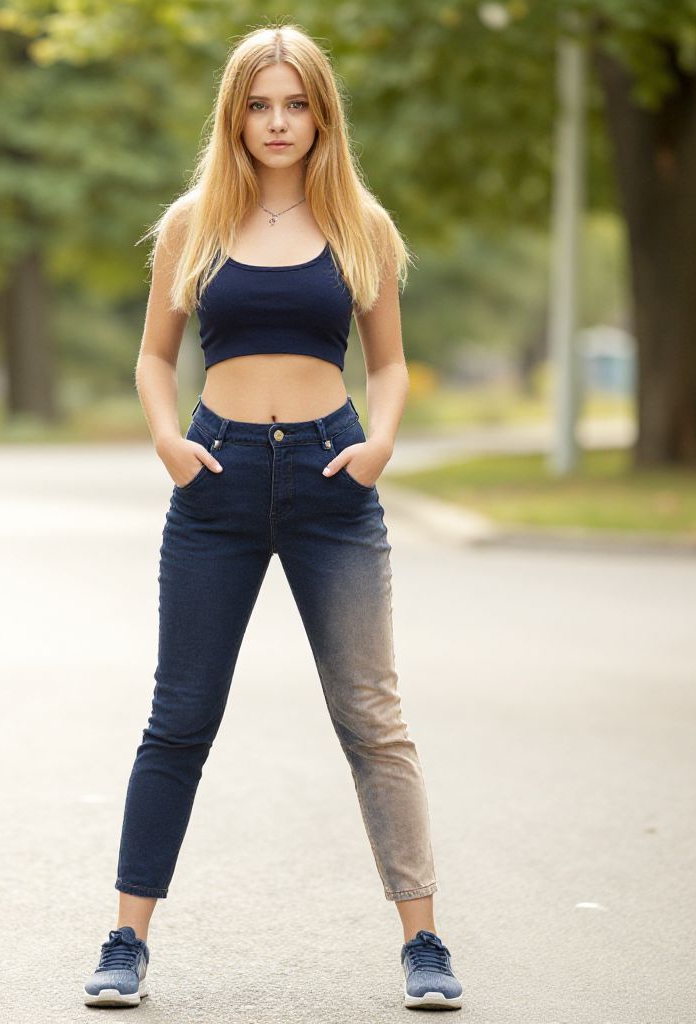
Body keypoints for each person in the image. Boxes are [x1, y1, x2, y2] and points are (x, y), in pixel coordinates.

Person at [83, 23, 464, 1012]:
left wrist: (380, 441)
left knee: (373, 717)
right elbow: (153, 356)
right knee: (180, 717)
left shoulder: (361, 226)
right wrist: (167, 439)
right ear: (235, 113)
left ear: (321, 114)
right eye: (261, 104)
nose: (279, 122)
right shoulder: (193, 222)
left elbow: (387, 362)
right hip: (217, 474)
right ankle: (125, 938)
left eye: (296, 104)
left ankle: (423, 942)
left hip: (334, 478)